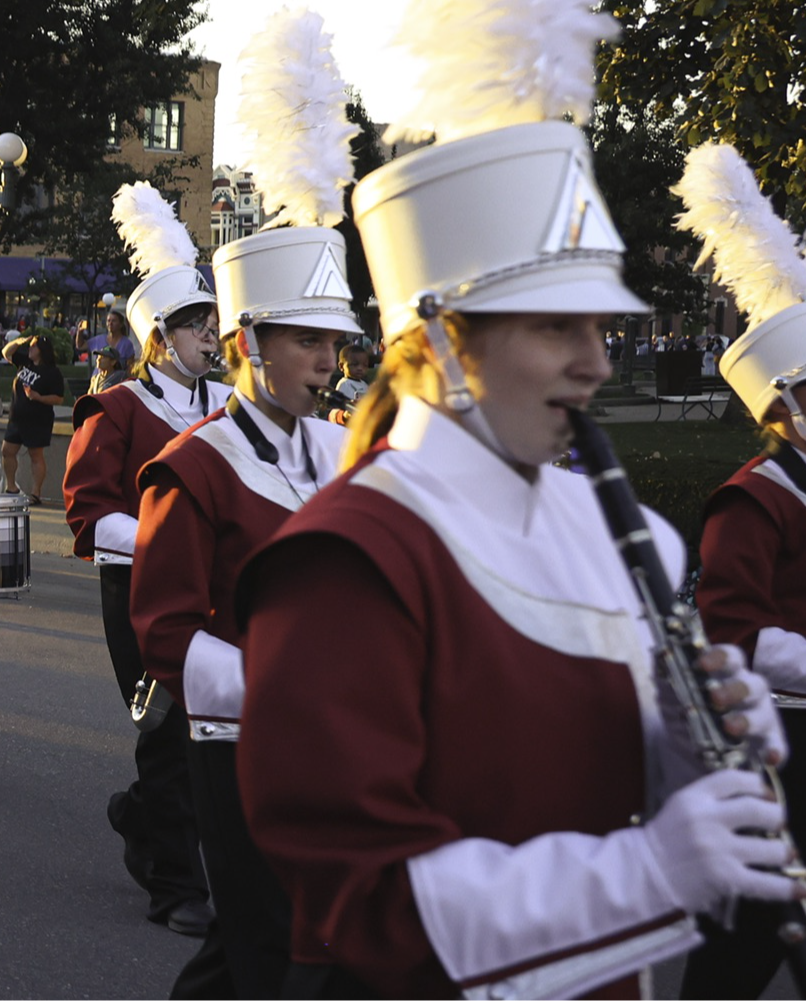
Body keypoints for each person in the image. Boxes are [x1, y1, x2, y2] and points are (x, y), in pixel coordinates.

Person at [239, 6, 800, 998]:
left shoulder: (620, 534)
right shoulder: (347, 558)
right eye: (555, 328)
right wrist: (650, 870)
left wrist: (690, 745)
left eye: (599, 327)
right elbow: (366, 899)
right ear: (448, 341)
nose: (594, 364)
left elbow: (593, 778)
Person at [137, 16, 362, 994]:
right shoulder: (197, 463)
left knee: (264, 949)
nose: (326, 362)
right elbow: (166, 633)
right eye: (307, 343)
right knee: (263, 943)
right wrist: (282, 685)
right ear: (249, 345)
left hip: (332, 737)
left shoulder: (337, 445)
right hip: (238, 741)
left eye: (332, 344)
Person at [62, 180, 226, 937]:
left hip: (214, 590)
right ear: (159, 335)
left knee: (209, 726)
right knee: (168, 730)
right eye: (195, 325)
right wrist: (168, 535)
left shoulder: (227, 405)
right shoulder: (117, 407)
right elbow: (88, 516)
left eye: (214, 322)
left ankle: (138, 814)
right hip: (135, 587)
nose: (211, 336)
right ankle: (174, 886)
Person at [675, 143, 806, 1001]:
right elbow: (732, 634)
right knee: (740, 949)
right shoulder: (750, 499)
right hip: (779, 753)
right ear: (784, 406)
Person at [1, 333, 65, 504]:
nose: (30, 348)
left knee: (35, 455)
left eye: (34, 346)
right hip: (17, 417)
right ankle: (11, 487)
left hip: (38, 420)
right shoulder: (24, 363)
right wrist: (19, 341)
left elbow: (59, 398)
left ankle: (35, 493)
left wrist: (38, 397)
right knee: (7, 451)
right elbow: (6, 353)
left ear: (42, 350)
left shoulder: (52, 372)